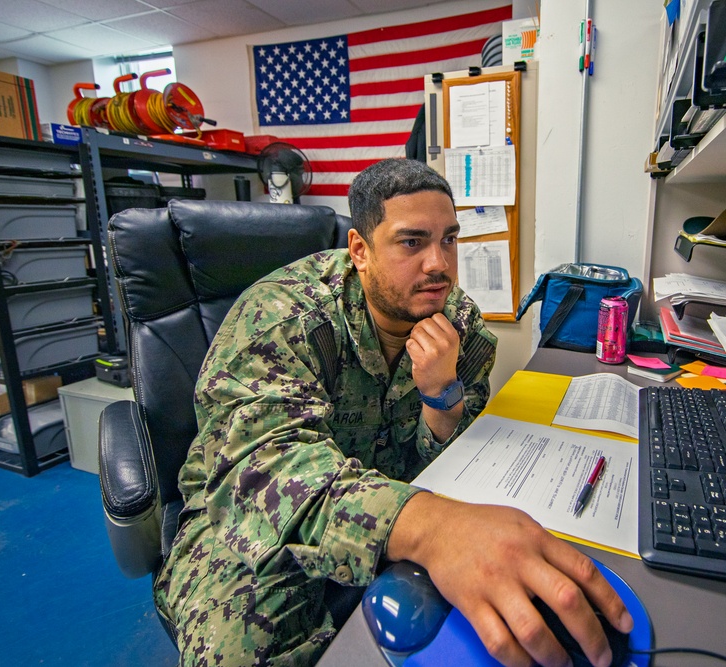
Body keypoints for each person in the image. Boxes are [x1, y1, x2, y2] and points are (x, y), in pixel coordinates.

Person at [154, 158, 632, 667]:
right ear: (360, 250)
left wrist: (442, 397)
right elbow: (266, 470)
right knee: (240, 652)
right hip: (246, 520)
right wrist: (434, 530)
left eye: (449, 239)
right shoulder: (281, 318)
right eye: (412, 242)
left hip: (394, 502)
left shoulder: (457, 321)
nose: (439, 264)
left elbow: (461, 459)